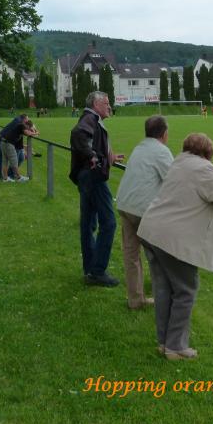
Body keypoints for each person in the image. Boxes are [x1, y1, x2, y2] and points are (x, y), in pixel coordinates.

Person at [137, 133, 213, 361]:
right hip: (171, 239)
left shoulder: (179, 163)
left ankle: (165, 342)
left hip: (152, 230)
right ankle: (176, 347)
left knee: (164, 288)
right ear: (208, 153)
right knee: (185, 290)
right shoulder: (204, 169)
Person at [115, 115, 173, 310]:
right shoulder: (161, 152)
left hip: (125, 205)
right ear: (164, 134)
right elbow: (173, 181)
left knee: (131, 254)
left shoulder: (139, 147)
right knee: (159, 255)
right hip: (142, 210)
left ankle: (135, 300)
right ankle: (166, 297)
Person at [70, 91, 124, 287]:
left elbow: (91, 142)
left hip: (87, 177)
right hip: (93, 177)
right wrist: (93, 157)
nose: (109, 107)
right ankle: (98, 271)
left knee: (88, 224)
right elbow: (78, 135)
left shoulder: (92, 119)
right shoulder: (90, 118)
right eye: (106, 103)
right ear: (95, 104)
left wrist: (109, 157)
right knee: (109, 223)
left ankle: (90, 270)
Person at [0, 114, 37, 182]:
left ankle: (5, 178)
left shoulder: (19, 125)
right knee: (14, 161)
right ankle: (19, 178)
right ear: (24, 120)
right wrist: (36, 133)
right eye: (27, 119)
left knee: (5, 161)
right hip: (8, 143)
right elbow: (28, 133)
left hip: (3, 142)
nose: (28, 120)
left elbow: (28, 131)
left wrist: (33, 130)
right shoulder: (21, 125)